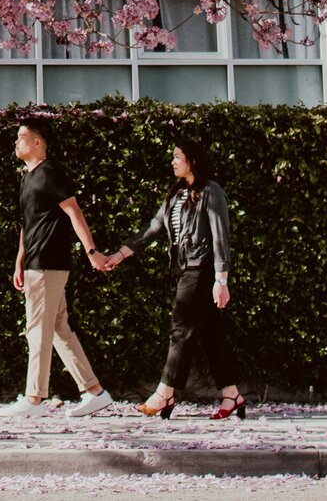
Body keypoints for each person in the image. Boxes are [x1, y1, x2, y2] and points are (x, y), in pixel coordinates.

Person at [93, 138, 243, 420]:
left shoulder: (212, 192)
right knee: (211, 336)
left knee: (180, 329)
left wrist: (221, 280)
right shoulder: (175, 196)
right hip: (185, 270)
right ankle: (232, 394)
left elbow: (221, 237)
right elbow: (152, 229)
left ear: (192, 160)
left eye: (177, 156)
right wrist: (119, 255)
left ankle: (165, 393)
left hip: (202, 270)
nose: (173, 161)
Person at [1, 122, 116, 418]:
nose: (16, 142)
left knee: (36, 329)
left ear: (38, 143)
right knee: (58, 328)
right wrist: (19, 261)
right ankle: (95, 392)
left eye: (21, 137)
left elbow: (73, 211)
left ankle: (34, 399)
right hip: (35, 263)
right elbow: (28, 224)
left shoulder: (50, 173)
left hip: (49, 263)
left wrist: (91, 251)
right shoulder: (28, 178)